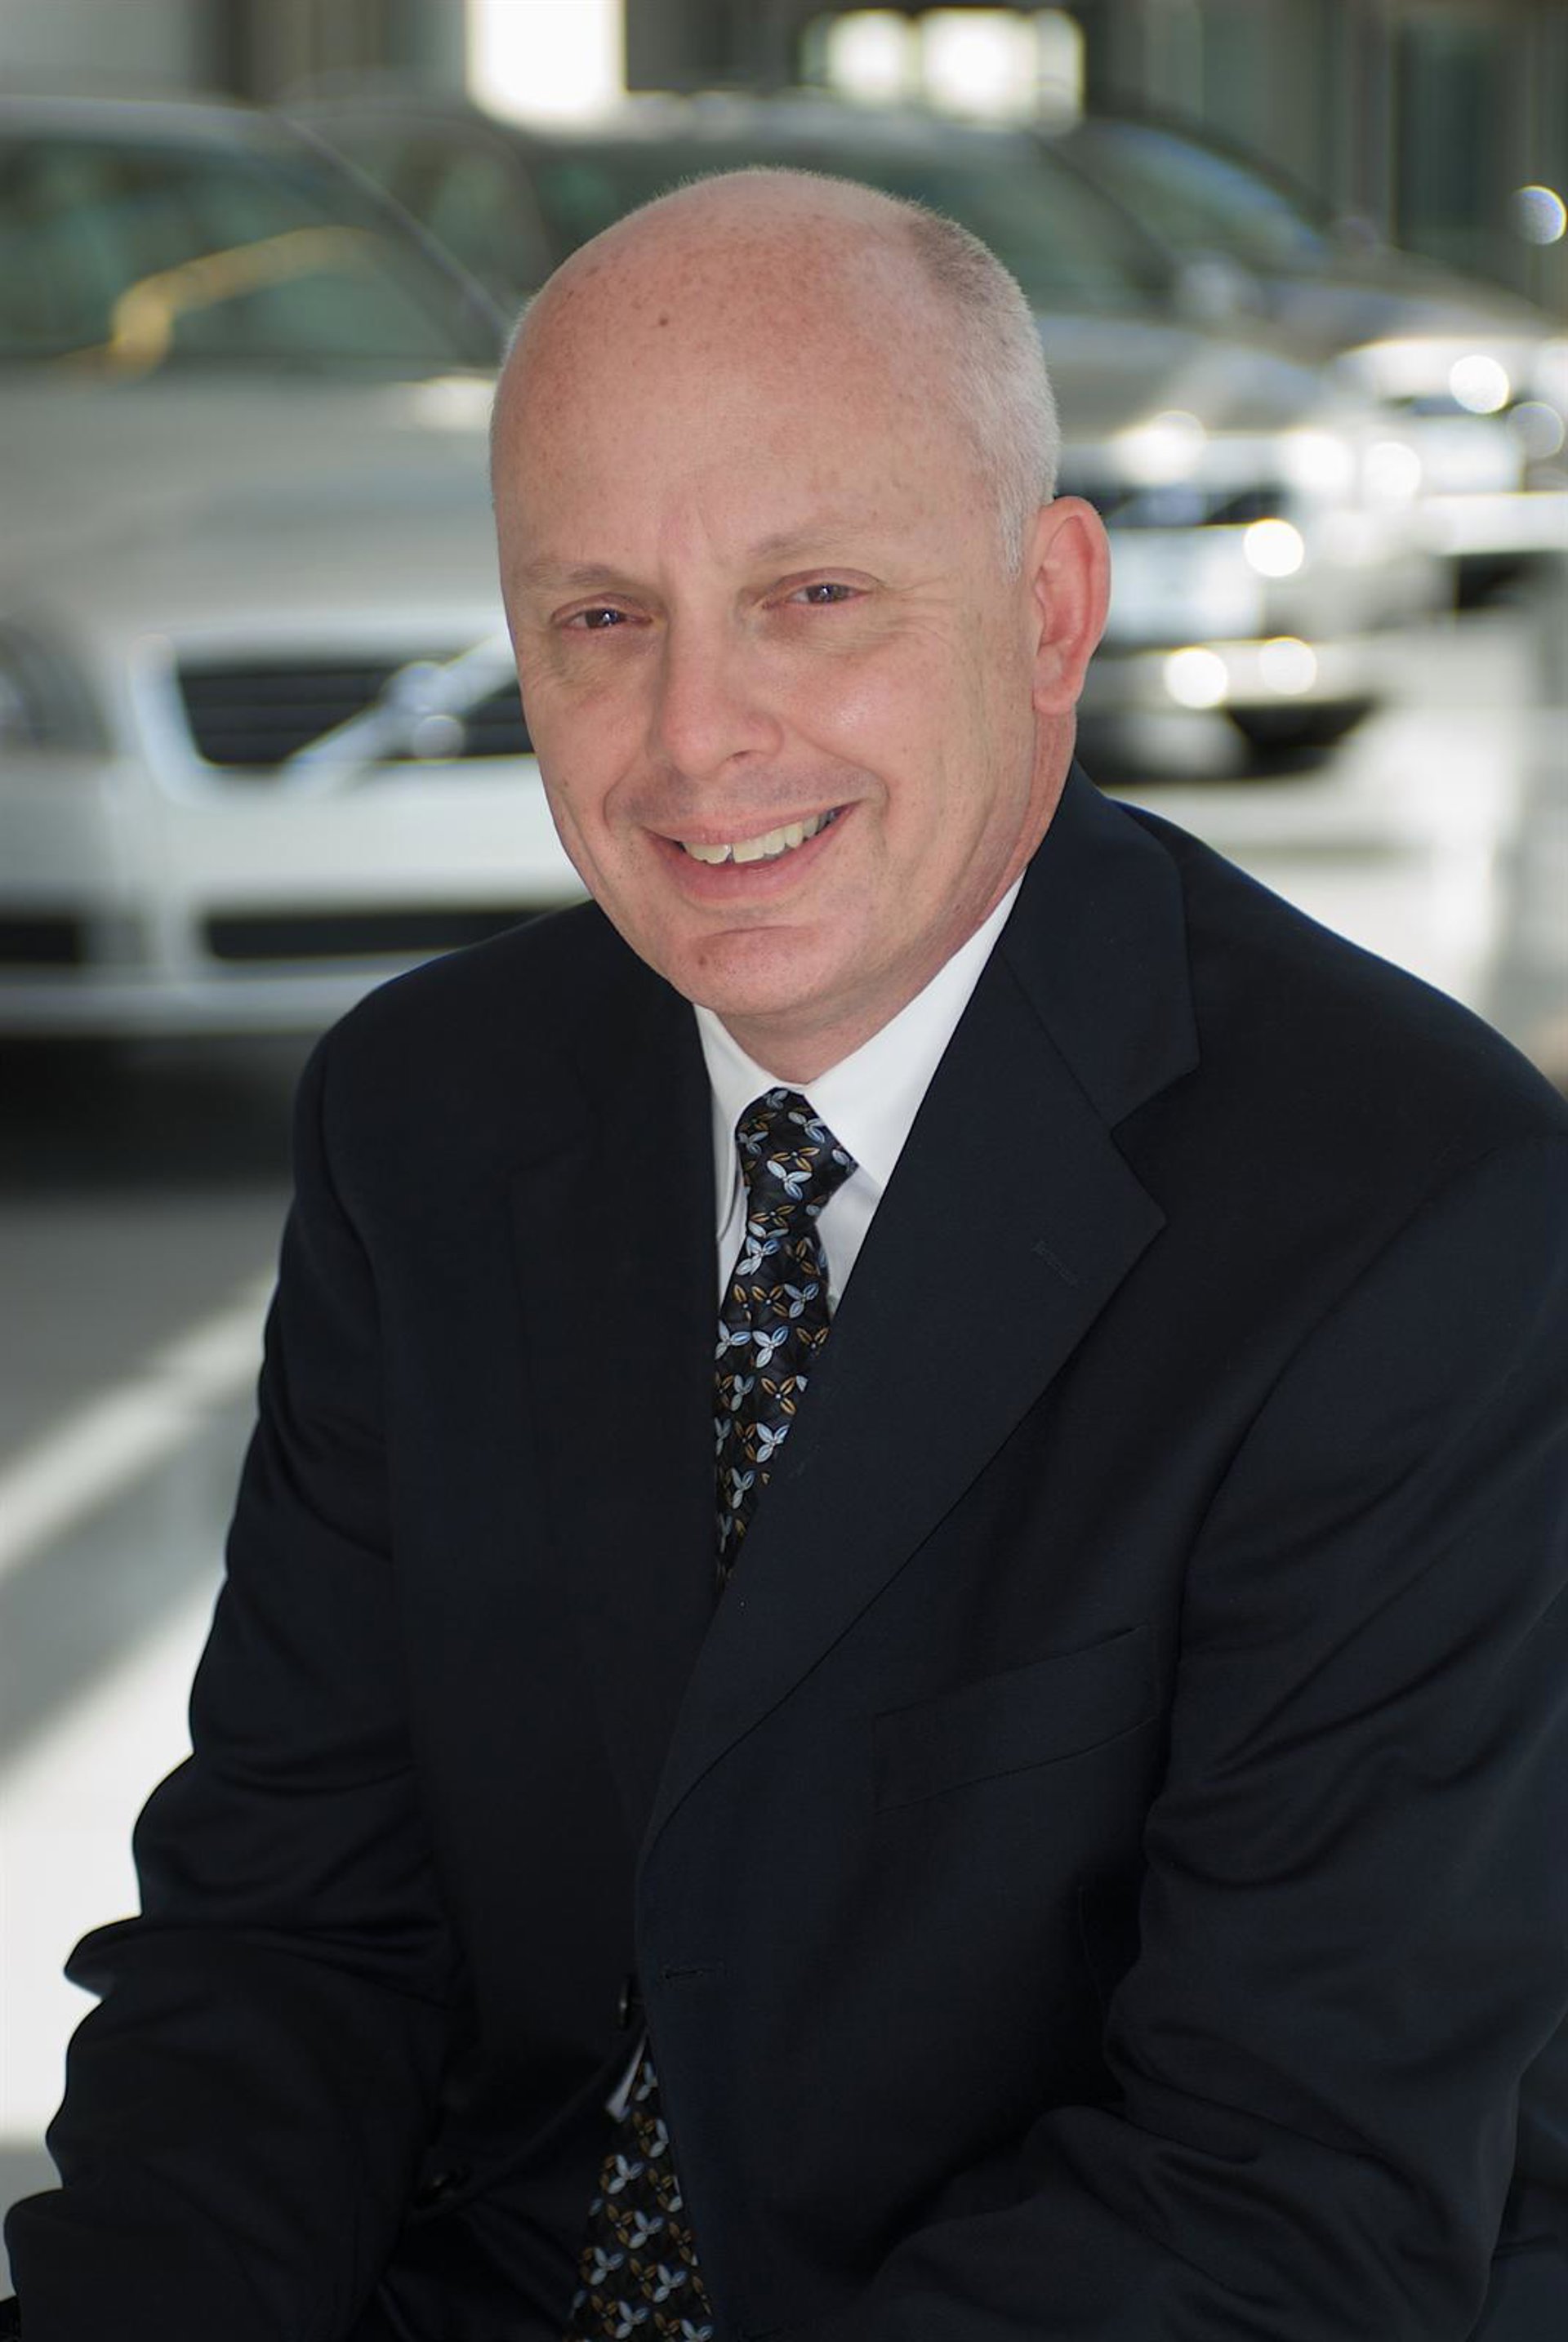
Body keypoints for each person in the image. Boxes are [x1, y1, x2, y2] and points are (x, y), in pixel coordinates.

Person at [5, 168, 1566, 2342]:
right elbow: (287, 1946)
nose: (694, 739)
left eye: (813, 594)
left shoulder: (1416, 1215)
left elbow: (1276, 2193)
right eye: (599, 618)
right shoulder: (426, 1115)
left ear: (1050, 610)